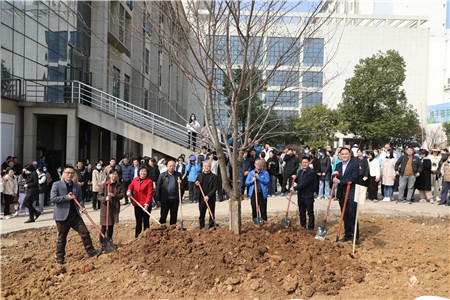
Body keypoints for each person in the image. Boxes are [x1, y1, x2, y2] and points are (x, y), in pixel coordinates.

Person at [50, 165, 101, 264]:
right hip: (62, 216)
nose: (70, 175)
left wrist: (81, 207)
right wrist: (66, 198)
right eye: (68, 173)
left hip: (74, 215)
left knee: (85, 232)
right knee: (62, 237)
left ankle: (91, 251)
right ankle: (60, 257)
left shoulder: (76, 186)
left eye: (72, 173)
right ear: (63, 174)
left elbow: (80, 199)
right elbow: (53, 199)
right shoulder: (57, 184)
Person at [333, 148, 360, 243]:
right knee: (345, 215)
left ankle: (355, 236)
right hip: (342, 193)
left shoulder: (355, 164)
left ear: (349, 155)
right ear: (340, 155)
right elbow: (336, 175)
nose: (344, 156)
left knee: (352, 214)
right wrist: (335, 176)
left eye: (346, 154)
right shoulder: (338, 165)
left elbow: (354, 177)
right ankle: (348, 234)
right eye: (342, 154)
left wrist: (341, 181)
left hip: (351, 192)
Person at [97, 169, 124, 247]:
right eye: (113, 174)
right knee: (104, 226)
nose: (114, 176)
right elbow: (99, 196)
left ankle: (109, 240)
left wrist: (114, 195)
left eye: (116, 174)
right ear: (109, 175)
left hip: (114, 207)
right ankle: (102, 242)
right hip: (106, 208)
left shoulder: (119, 185)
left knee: (111, 225)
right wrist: (105, 198)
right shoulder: (104, 185)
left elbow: (122, 195)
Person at [291, 156, 316, 230]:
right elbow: (300, 182)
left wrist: (294, 188)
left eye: (306, 162)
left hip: (308, 195)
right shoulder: (300, 171)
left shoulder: (311, 173)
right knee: (301, 213)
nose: (304, 164)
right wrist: (295, 179)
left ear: (309, 163)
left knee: (310, 213)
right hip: (300, 195)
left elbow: (305, 183)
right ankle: (303, 227)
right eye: (303, 163)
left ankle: (311, 228)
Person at [127, 166, 153, 237]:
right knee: (138, 222)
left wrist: (146, 205)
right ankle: (137, 238)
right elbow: (130, 186)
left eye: (144, 171)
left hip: (146, 205)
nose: (143, 173)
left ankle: (146, 237)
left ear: (147, 173)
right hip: (137, 204)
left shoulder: (149, 181)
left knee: (146, 221)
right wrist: (129, 191)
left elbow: (149, 194)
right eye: (141, 171)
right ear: (139, 172)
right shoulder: (135, 180)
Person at [156, 161, 182, 225]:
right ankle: (162, 229)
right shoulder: (162, 175)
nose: (171, 167)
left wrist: (180, 184)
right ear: (167, 167)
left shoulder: (178, 175)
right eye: (170, 166)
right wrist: (158, 199)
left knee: (174, 216)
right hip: (165, 199)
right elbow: (158, 187)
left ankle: (172, 229)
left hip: (175, 199)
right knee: (163, 215)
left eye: (173, 166)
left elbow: (182, 187)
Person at [195, 160, 218, 228]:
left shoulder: (214, 176)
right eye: (205, 166)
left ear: (210, 167)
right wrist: (196, 184)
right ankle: (201, 226)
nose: (206, 167)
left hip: (210, 197)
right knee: (202, 213)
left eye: (208, 166)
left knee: (211, 212)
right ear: (203, 167)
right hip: (202, 197)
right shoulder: (200, 175)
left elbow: (215, 188)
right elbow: (196, 184)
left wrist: (208, 196)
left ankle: (211, 225)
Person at [245, 159, 269, 224]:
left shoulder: (265, 173)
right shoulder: (251, 173)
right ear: (255, 165)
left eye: (260, 164)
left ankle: (264, 219)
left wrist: (259, 178)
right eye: (257, 164)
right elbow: (246, 182)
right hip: (253, 192)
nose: (259, 165)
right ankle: (255, 219)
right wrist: (252, 181)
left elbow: (267, 182)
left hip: (262, 192)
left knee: (263, 207)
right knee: (254, 206)